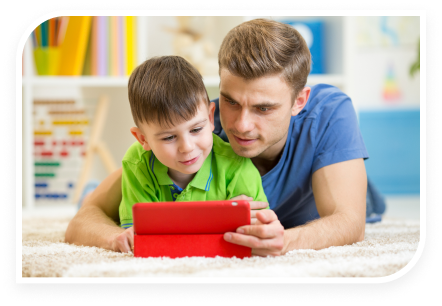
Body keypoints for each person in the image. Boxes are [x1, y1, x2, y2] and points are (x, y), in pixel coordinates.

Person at [65, 18, 385, 256]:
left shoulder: (329, 112)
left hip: (332, 200)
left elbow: (349, 222)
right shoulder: (201, 127)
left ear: (298, 102)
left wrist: (284, 240)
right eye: (231, 101)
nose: (241, 125)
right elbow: (87, 216)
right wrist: (114, 238)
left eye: (264, 108)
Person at [118, 56, 269, 241]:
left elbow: (257, 232)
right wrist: (218, 218)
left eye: (196, 129)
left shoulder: (236, 165)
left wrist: (168, 224)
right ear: (143, 139)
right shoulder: (137, 162)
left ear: (211, 117)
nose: (187, 147)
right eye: (169, 137)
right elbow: (142, 235)